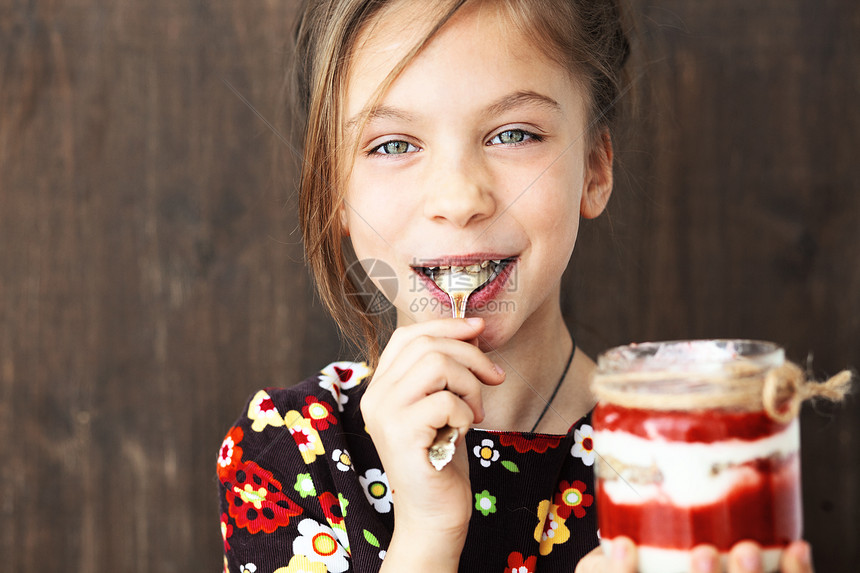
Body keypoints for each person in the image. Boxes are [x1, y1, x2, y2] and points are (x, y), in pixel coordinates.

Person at [217, 1, 815, 571]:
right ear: (332, 191)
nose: (459, 200)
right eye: (393, 144)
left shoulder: (695, 459)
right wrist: (427, 534)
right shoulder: (288, 454)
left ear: (596, 169)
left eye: (514, 135)